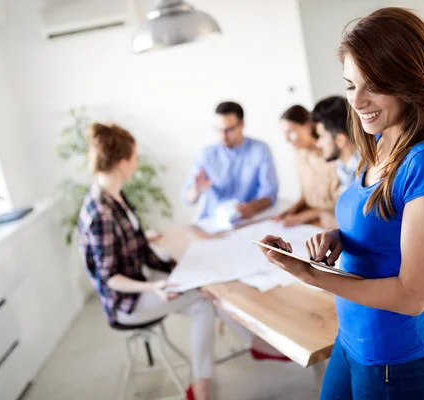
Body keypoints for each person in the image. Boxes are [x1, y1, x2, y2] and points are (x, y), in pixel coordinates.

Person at [257, 7, 424, 400]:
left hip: (395, 363)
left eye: (373, 86)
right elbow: (381, 221)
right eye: (350, 85)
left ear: (410, 82)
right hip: (352, 340)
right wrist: (341, 236)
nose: (356, 101)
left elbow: (411, 296)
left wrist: (311, 276)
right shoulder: (380, 140)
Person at [78, 123, 287, 400]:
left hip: (139, 287)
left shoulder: (114, 195)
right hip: (125, 303)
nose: (136, 164)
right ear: (122, 162)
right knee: (206, 295)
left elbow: (136, 247)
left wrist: (164, 258)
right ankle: (248, 350)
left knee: (203, 302)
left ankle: (204, 386)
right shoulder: (101, 212)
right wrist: (154, 287)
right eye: (135, 158)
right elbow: (110, 278)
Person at [182, 101, 278, 222]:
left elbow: (270, 193)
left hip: (247, 220)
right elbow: (187, 199)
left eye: (229, 130)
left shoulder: (260, 150)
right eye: (218, 130)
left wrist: (252, 207)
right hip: (213, 222)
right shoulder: (206, 155)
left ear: (242, 124)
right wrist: (196, 190)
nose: (223, 136)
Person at [273, 104, 340, 227]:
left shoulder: (331, 154)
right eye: (285, 134)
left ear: (308, 126)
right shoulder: (299, 154)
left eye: (291, 132)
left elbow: (339, 203)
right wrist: (292, 210)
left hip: (332, 220)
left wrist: (300, 218)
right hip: (310, 220)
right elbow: (307, 194)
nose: (287, 139)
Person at [311, 96, 360, 228]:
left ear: (340, 140)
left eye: (321, 136)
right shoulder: (342, 165)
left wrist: (338, 225)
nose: (318, 143)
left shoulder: (366, 172)